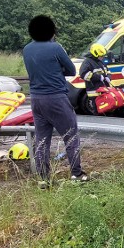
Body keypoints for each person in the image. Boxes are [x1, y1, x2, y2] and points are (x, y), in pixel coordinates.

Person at [22, 15, 88, 187]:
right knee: (70, 135)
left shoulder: (27, 49)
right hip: (56, 97)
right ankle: (77, 174)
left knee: (42, 139)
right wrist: (58, 72)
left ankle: (44, 178)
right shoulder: (55, 48)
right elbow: (72, 70)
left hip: (36, 99)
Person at [78, 43, 111, 115]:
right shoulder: (87, 62)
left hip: (104, 90)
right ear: (95, 54)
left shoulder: (100, 61)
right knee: (98, 111)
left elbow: (107, 71)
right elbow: (84, 74)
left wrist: (108, 77)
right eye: (101, 56)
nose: (102, 57)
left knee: (106, 110)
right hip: (94, 91)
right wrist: (98, 77)